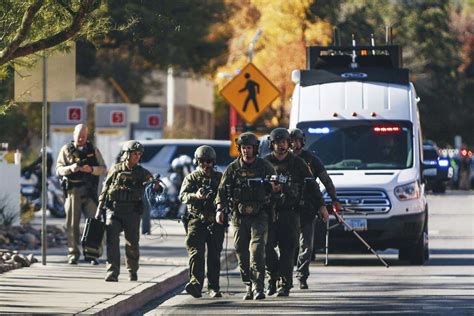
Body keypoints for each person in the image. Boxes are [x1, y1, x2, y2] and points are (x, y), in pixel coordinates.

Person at [215, 132, 278, 300]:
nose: (245, 151)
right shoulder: (232, 169)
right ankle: (248, 285)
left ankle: (259, 287)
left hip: (260, 214)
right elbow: (221, 191)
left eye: (248, 148)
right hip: (238, 215)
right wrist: (220, 209)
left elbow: (277, 189)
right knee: (241, 251)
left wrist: (274, 187)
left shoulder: (265, 167)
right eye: (243, 148)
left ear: (255, 149)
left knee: (257, 249)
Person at [95, 140, 161, 282]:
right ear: (127, 154)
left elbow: (155, 188)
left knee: (132, 244)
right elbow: (105, 188)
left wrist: (155, 185)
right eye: (134, 154)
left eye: (139, 154)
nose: (137, 156)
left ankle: (132, 271)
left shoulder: (142, 173)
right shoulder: (116, 169)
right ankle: (112, 272)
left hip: (132, 212)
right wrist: (99, 208)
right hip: (114, 211)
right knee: (112, 242)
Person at [263, 128, 317, 297]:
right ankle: (272, 278)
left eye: (284, 142)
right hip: (269, 213)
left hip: (290, 213)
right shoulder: (264, 163)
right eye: (278, 142)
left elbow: (312, 185)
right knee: (266, 248)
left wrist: (322, 206)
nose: (281, 145)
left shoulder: (298, 163)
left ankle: (284, 285)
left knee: (288, 251)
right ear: (272, 144)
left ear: (289, 143)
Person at [289, 128, 340, 290]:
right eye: (291, 140)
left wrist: (334, 200)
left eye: (297, 140)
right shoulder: (282, 159)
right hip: (286, 208)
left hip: (308, 208)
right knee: (286, 244)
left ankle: (302, 276)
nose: (294, 144)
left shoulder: (311, 160)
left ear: (302, 141)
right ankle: (282, 275)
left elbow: (326, 181)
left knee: (307, 246)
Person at [56, 124, 107, 265]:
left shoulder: (93, 150)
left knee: (95, 223)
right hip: (73, 192)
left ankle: (93, 254)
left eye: (84, 136)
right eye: (79, 136)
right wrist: (70, 169)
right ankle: (73, 253)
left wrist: (91, 169)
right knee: (72, 224)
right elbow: (58, 169)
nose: (81, 139)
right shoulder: (66, 150)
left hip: (89, 192)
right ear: (74, 135)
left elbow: (103, 169)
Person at [179, 145, 224, 298]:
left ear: (213, 162)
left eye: (209, 161)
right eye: (201, 162)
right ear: (197, 161)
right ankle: (196, 285)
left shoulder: (219, 178)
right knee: (195, 254)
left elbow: (227, 195)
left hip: (215, 221)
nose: (205, 165)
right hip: (196, 220)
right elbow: (182, 196)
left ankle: (214, 287)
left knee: (214, 255)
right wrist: (196, 195)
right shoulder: (191, 178)